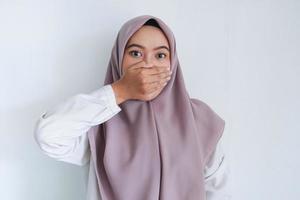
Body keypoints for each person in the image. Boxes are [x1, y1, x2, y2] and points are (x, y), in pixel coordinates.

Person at [34, 15, 231, 200]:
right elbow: (48, 136)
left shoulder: (198, 121)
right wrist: (120, 91)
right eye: (136, 53)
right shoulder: (99, 123)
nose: (148, 65)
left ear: (173, 63)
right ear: (119, 59)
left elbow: (217, 191)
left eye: (160, 55)